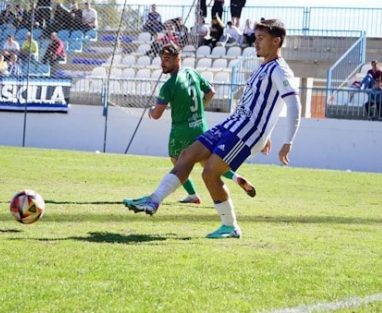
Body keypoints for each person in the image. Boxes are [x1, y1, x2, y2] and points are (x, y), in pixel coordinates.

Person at [124, 19, 302, 239]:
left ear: (276, 41)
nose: (256, 42)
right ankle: (153, 199)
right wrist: (268, 134)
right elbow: (266, 104)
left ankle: (231, 226)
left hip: (246, 132)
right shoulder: (263, 67)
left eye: (261, 38)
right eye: (255, 37)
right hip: (233, 124)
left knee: (210, 173)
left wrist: (286, 142)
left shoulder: (280, 70)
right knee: (187, 155)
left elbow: (293, 103)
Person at [146, 44, 257, 204]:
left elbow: (156, 115)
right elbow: (211, 91)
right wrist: (200, 107)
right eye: (162, 59)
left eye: (167, 59)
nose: (163, 63)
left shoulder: (168, 86)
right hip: (200, 126)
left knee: (178, 163)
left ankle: (192, 196)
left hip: (181, 132)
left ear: (178, 59)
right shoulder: (192, 73)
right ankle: (236, 177)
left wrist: (151, 111)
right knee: (207, 161)